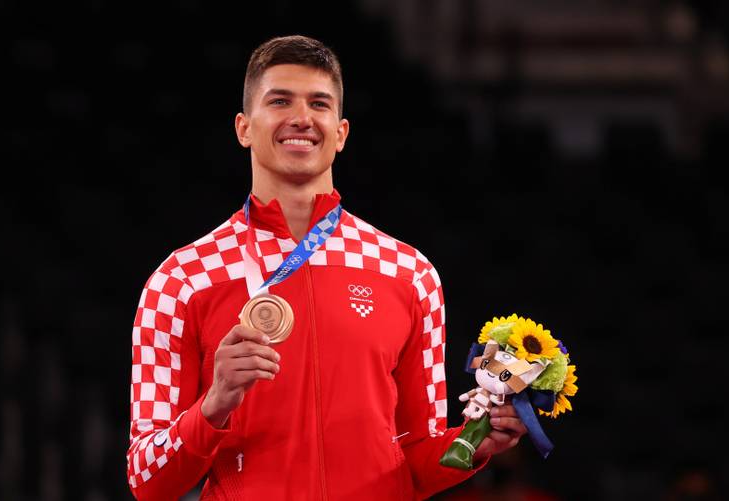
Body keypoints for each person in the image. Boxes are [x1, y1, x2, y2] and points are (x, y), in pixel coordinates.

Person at [126, 35, 528, 501]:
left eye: (319, 104)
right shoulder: (183, 279)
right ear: (243, 128)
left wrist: (477, 441)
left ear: (340, 133)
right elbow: (146, 478)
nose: (301, 118)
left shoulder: (407, 272)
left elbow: (414, 456)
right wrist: (213, 406)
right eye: (279, 101)